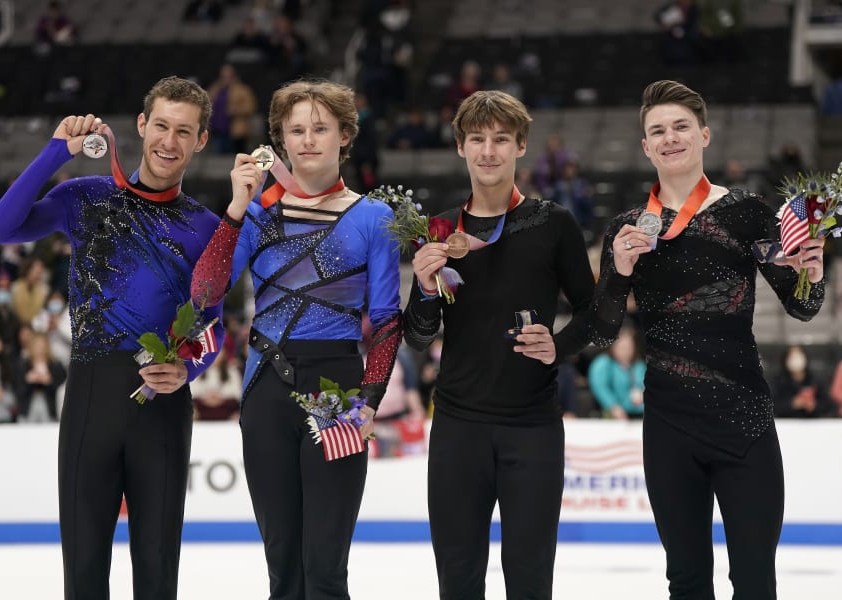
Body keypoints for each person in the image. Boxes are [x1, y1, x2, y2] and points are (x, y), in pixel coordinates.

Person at [0, 76, 225, 599]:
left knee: (157, 571)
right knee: (84, 567)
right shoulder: (84, 197)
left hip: (162, 402)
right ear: (141, 125)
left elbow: (214, 323)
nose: (168, 141)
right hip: (92, 396)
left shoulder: (206, 227)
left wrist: (190, 370)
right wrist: (54, 153)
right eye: (160, 125)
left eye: (184, 131)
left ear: (201, 140)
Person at [590, 80, 826, 599]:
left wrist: (813, 267)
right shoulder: (627, 229)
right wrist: (620, 272)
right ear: (645, 146)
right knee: (688, 581)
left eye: (680, 127)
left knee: (756, 581)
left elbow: (803, 305)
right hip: (670, 426)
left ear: (705, 135)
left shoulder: (750, 214)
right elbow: (604, 331)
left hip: (745, 420)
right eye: (658, 131)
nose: (670, 138)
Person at [190, 78, 401, 598]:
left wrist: (369, 400)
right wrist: (236, 208)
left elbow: (388, 319)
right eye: (297, 129)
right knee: (283, 566)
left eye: (321, 128)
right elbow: (204, 292)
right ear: (280, 140)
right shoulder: (259, 215)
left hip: (338, 390)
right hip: (266, 387)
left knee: (326, 567)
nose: (308, 139)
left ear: (345, 135)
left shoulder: (374, 217)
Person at [402, 90, 596, 599]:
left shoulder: (553, 223)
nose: (489, 151)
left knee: (530, 583)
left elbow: (597, 315)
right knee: (458, 583)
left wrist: (558, 345)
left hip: (532, 428)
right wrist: (422, 290)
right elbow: (419, 338)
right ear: (460, 148)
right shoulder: (439, 231)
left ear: (521, 147)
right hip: (456, 430)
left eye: (501, 139)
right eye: (477, 139)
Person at [587, 325, 646, 420]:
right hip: (613, 413)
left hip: (640, 412)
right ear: (614, 346)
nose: (625, 351)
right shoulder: (603, 363)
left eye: (629, 347)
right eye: (622, 347)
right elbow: (600, 387)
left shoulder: (639, 365)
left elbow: (646, 384)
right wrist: (613, 407)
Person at [206, 63, 258, 155]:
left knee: (233, 156)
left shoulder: (242, 89)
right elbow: (206, 102)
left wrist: (236, 110)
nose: (226, 78)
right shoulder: (216, 88)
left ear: (235, 76)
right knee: (218, 158)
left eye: (229, 76)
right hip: (217, 129)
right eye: (223, 76)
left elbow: (251, 107)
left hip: (235, 130)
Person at [16, 331, 67, 422]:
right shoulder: (23, 365)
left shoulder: (56, 365)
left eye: (42, 346)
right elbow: (18, 389)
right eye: (37, 346)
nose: (40, 349)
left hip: (50, 408)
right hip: (27, 408)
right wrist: (28, 381)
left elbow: (62, 389)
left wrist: (49, 381)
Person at [771, 344, 833, 418]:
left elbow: (828, 405)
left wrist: (814, 405)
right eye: (791, 357)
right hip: (786, 424)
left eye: (799, 356)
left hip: (812, 424)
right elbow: (771, 406)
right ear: (785, 360)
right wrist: (792, 404)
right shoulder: (778, 382)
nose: (796, 360)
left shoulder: (815, 381)